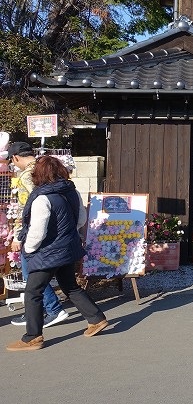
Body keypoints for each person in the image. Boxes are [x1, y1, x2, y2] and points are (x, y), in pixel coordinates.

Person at [6, 155, 108, 352]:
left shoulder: (42, 197)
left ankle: (33, 337)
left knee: (33, 292)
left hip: (48, 253)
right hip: (68, 247)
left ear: (39, 174)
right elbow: (81, 219)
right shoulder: (72, 192)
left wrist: (29, 250)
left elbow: (37, 231)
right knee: (70, 285)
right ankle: (96, 318)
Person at [2, 142, 70, 329]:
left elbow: (31, 208)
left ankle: (52, 309)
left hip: (35, 231)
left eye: (12, 161)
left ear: (15, 158)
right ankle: (39, 311)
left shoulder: (27, 176)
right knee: (42, 273)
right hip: (58, 229)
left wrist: (18, 236)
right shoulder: (45, 169)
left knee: (31, 274)